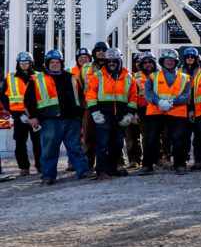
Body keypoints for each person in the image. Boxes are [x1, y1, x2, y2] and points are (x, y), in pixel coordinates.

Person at [24, 49, 93, 185]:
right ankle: (48, 176)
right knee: (49, 149)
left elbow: (79, 97)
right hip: (50, 120)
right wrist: (32, 117)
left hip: (71, 119)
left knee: (76, 148)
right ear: (47, 63)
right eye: (52, 62)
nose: (55, 64)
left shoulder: (70, 77)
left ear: (61, 63)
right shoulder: (37, 79)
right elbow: (29, 100)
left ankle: (84, 172)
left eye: (57, 62)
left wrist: (78, 114)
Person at [141, 48, 193, 175]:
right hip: (156, 111)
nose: (169, 62)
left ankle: (179, 165)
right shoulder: (153, 77)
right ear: (162, 61)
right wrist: (159, 102)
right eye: (167, 60)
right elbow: (147, 93)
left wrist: (172, 103)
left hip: (177, 112)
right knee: (151, 138)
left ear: (176, 62)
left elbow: (187, 95)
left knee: (178, 139)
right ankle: (147, 166)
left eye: (172, 60)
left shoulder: (184, 78)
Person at [88, 48, 136, 179]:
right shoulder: (97, 76)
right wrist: (95, 113)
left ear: (119, 61)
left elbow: (133, 98)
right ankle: (101, 171)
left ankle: (112, 168)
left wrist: (130, 114)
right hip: (103, 116)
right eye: (109, 61)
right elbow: (91, 95)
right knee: (102, 144)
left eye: (114, 61)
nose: (111, 63)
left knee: (117, 144)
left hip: (120, 116)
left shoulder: (128, 78)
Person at [4, 51, 42, 176]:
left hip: (35, 115)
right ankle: (24, 168)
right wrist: (12, 112)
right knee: (20, 143)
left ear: (31, 63)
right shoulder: (10, 78)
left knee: (38, 142)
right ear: (18, 64)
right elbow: (3, 97)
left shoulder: (39, 76)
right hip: (19, 116)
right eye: (22, 63)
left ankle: (40, 166)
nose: (24, 65)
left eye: (27, 62)